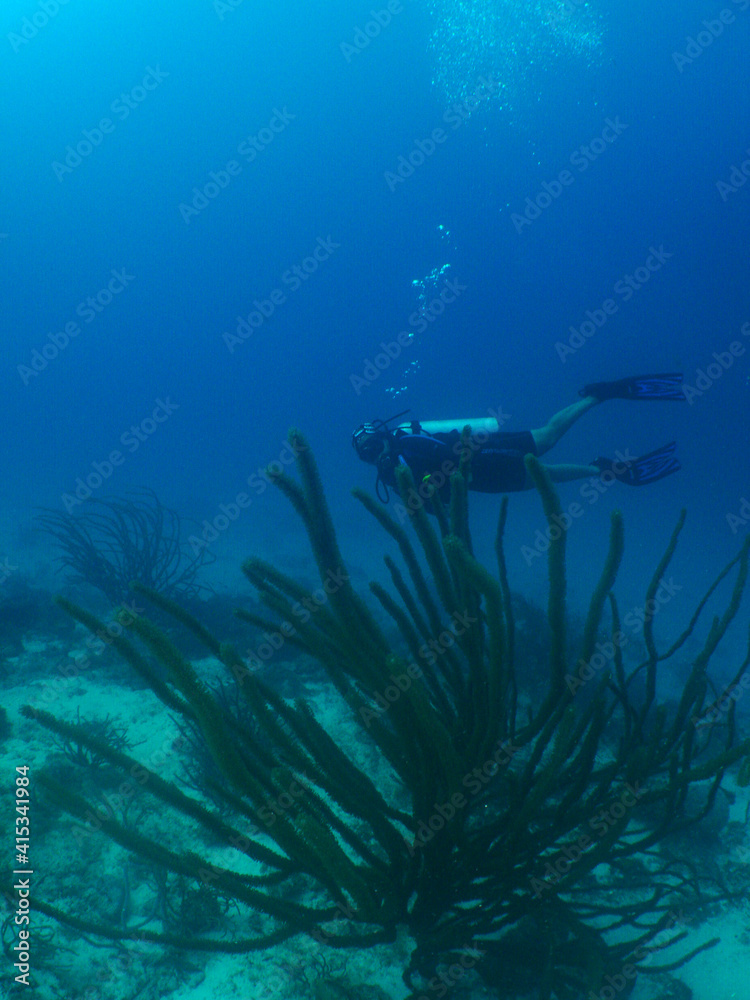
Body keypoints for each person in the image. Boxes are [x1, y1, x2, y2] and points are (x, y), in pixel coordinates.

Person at [352, 373, 686, 503]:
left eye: (373, 446)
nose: (373, 454)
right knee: (547, 475)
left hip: (480, 457)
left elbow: (444, 454)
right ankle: (603, 468)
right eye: (366, 455)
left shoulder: (406, 443)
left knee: (548, 438)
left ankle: (601, 394)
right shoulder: (389, 476)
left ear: (382, 436)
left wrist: (435, 480)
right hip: (479, 477)